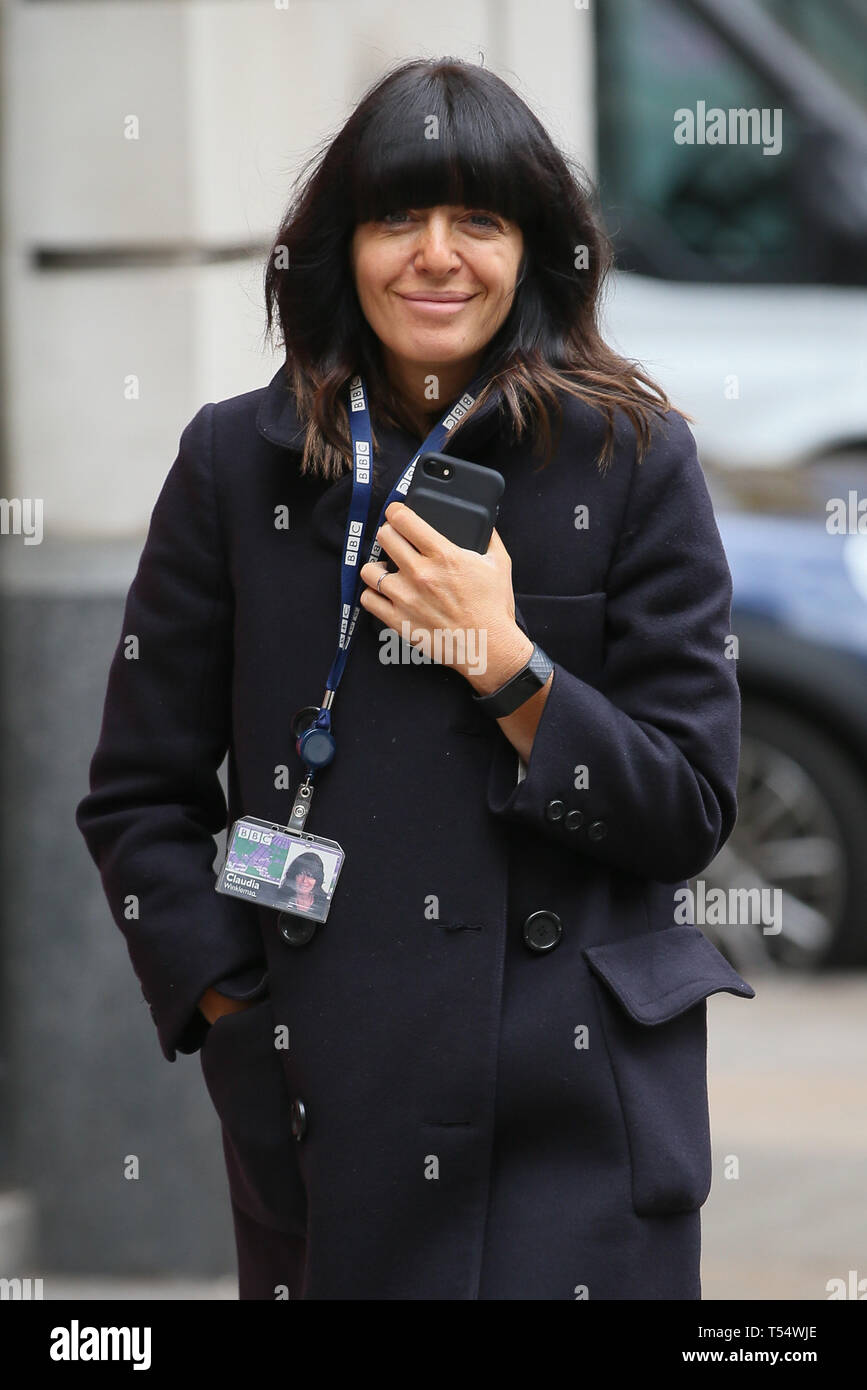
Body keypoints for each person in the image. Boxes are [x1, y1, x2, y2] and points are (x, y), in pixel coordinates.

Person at [75, 56, 754, 1301]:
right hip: (330, 1107)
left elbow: (688, 811)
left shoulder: (637, 457)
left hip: (579, 1114)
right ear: (341, 246)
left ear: (533, 252)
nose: (436, 256)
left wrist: (510, 665)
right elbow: (137, 798)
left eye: (479, 221)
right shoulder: (236, 461)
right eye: (398, 217)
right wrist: (237, 1014)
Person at [280, 852, 329, 917]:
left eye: (310, 876)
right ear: (293, 875)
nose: (304, 880)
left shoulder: (325, 905)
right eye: (301, 873)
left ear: (317, 880)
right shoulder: (280, 898)